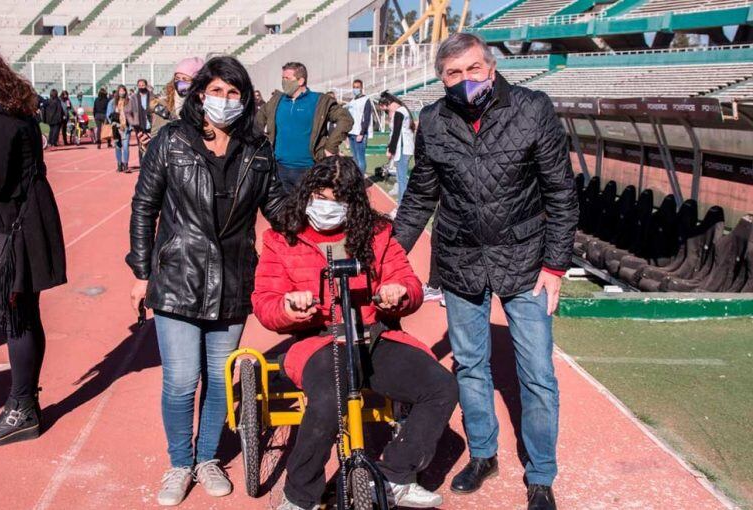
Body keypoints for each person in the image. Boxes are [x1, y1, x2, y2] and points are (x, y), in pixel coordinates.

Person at [393, 33, 578, 510]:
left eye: (474, 69)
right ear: (442, 79)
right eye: (454, 74)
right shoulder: (433, 120)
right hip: (460, 259)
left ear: (490, 68)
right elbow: (419, 197)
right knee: (470, 365)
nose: (466, 80)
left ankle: (540, 475)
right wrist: (387, 257)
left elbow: (560, 192)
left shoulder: (532, 108)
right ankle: (483, 454)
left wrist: (555, 265)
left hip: (526, 261)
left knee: (537, 372)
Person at [252, 156, 457, 510]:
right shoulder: (281, 238)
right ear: (307, 196)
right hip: (319, 340)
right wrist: (288, 306)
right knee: (331, 397)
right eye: (320, 197)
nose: (327, 208)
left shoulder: (377, 234)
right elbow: (265, 303)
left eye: (338, 200)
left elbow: (409, 283)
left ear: (353, 203)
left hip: (372, 336)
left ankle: (395, 476)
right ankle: (300, 495)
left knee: (441, 386)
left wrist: (399, 294)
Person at [126, 56, 286, 507]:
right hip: (177, 276)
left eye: (234, 93)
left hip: (234, 279)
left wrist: (330, 213)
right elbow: (144, 207)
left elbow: (278, 210)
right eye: (216, 91)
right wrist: (141, 271)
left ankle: (207, 458)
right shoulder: (171, 141)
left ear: (246, 98)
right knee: (180, 380)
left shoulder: (257, 149)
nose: (225, 101)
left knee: (220, 380)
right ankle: (180, 463)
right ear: (199, 94)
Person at [0, 43, 66, 446]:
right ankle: (21, 406)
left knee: (17, 318)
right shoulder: (8, 110)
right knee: (21, 316)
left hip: (14, 229)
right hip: (20, 225)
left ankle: (21, 408)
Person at [255, 62, 353, 193]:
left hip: (308, 169)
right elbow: (257, 121)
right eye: (282, 78)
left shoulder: (320, 101)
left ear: (301, 80)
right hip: (279, 169)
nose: (283, 82)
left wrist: (331, 146)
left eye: (287, 79)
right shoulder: (276, 100)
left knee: (307, 210)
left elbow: (346, 119)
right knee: (284, 211)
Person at [149, 57, 204, 138]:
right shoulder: (162, 106)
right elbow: (155, 137)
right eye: (177, 78)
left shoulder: (204, 106)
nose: (180, 82)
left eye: (185, 79)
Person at [378, 91, 415, 206]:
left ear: (388, 104)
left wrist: (391, 150)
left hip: (403, 149)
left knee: (401, 177)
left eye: (385, 108)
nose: (386, 110)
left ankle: (401, 204)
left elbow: (396, 133)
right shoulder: (403, 110)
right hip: (405, 147)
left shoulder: (399, 113)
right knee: (401, 177)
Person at [346, 79, 373, 174]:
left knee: (361, 159)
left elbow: (367, 118)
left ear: (362, 88)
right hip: (351, 133)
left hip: (359, 134)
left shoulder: (366, 100)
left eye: (357, 87)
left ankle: (361, 180)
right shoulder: (352, 101)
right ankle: (356, 179)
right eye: (354, 87)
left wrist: (362, 133)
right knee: (355, 158)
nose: (355, 89)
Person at [125, 78, 152, 167]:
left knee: (152, 146)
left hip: (151, 125)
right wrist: (133, 122)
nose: (141, 87)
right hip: (139, 125)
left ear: (146, 85)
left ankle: (151, 165)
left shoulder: (152, 96)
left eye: (143, 85)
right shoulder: (133, 98)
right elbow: (127, 112)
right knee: (141, 146)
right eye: (139, 85)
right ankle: (142, 165)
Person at [107, 84, 131, 172]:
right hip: (116, 127)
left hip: (126, 127)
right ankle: (119, 164)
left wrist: (130, 124)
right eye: (120, 91)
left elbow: (132, 113)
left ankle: (125, 165)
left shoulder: (129, 102)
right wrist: (113, 122)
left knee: (125, 146)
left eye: (123, 91)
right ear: (118, 92)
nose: (122, 92)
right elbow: (108, 114)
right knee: (118, 146)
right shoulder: (112, 102)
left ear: (125, 92)